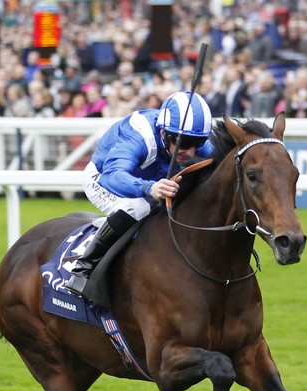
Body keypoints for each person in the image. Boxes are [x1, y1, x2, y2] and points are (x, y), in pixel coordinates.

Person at [64, 91, 214, 298]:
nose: (191, 151)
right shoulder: (138, 135)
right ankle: (83, 269)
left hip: (148, 180)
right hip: (103, 179)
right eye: (185, 143)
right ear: (164, 134)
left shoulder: (188, 134)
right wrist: (149, 189)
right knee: (138, 207)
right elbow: (113, 176)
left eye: (197, 143)